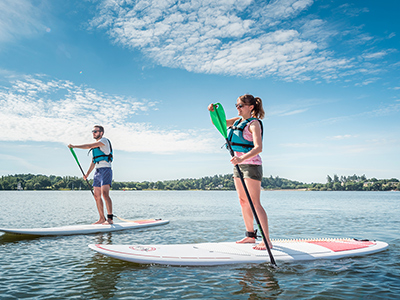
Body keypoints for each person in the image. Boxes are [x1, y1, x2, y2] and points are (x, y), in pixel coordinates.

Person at [208, 94, 272, 250]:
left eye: (241, 105)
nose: (238, 108)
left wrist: (241, 159)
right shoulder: (237, 121)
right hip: (238, 166)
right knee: (243, 201)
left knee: (255, 203)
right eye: (236, 105)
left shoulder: (254, 124)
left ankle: (266, 240)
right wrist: (212, 112)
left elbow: (259, 147)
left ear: (250, 107)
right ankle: (250, 236)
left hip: (251, 165)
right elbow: (219, 123)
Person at [68, 125, 114, 225]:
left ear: (101, 133)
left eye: (95, 131)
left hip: (106, 170)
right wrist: (87, 174)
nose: (93, 133)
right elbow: (93, 162)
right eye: (92, 131)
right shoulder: (95, 148)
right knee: (96, 196)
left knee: (105, 194)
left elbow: (89, 146)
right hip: (97, 172)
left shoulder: (104, 140)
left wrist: (75, 146)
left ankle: (110, 219)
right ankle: (102, 218)